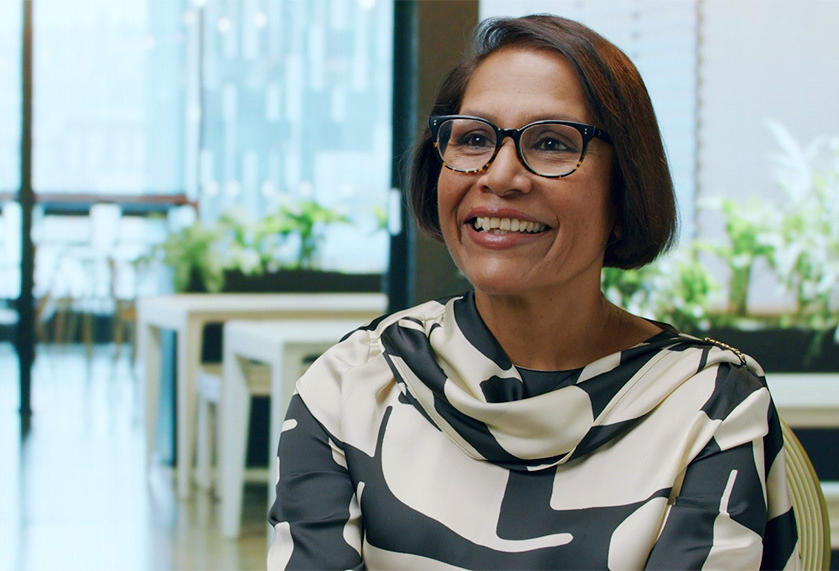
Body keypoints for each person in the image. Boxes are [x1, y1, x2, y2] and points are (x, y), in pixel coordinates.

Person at [267, 13, 800, 571]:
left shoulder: (707, 403)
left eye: (550, 143)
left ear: (625, 192)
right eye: (473, 138)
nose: (500, 176)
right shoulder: (351, 385)